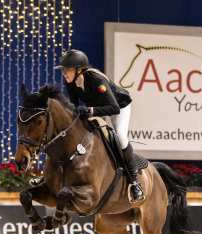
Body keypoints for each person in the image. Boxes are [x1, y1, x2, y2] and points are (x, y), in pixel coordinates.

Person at [55, 49, 145, 204]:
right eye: (63, 70)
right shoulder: (70, 82)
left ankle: (134, 182)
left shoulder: (96, 80)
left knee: (121, 137)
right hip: (97, 107)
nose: (64, 73)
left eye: (67, 70)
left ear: (79, 70)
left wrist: (90, 111)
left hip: (119, 106)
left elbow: (113, 108)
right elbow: (75, 105)